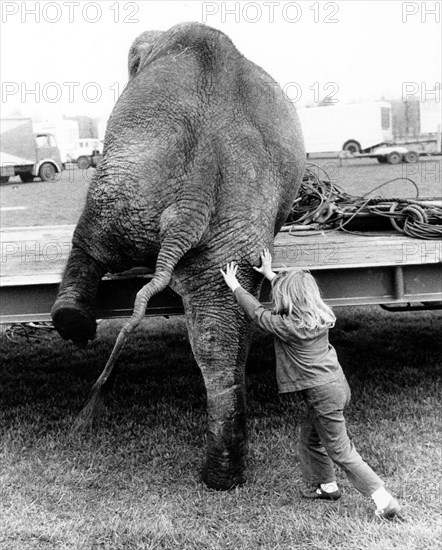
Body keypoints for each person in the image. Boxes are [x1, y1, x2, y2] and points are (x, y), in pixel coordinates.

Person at [220, 249, 402, 520]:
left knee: (340, 450)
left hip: (321, 393)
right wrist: (270, 274)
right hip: (337, 386)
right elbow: (296, 291)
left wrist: (235, 286)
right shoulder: (318, 315)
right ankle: (325, 486)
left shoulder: (288, 325)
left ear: (287, 300)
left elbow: (257, 314)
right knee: (311, 438)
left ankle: (382, 498)